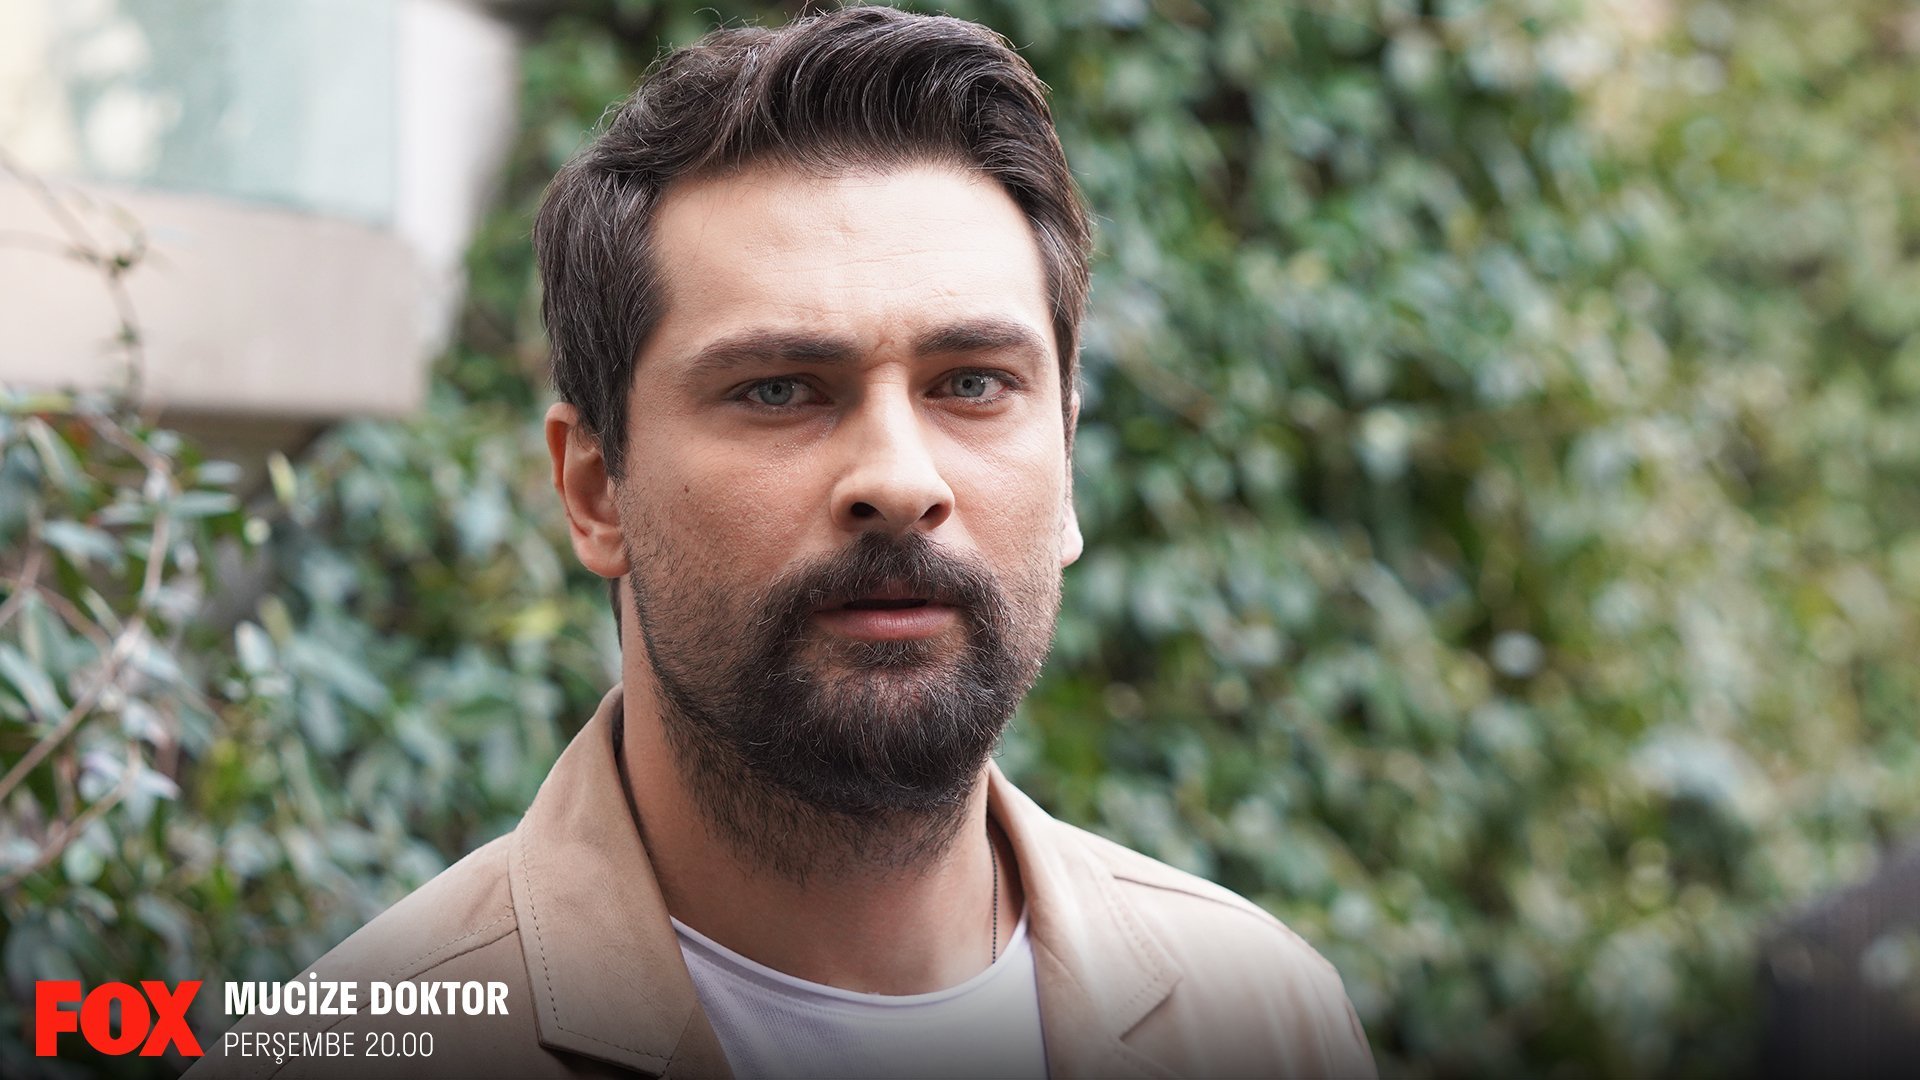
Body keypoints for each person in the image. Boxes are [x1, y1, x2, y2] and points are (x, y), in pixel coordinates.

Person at [188, 7, 1375, 1078]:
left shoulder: (1267, 1016)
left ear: (1065, 463)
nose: (899, 482)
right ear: (595, 489)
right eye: (777, 390)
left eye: (971, 382)